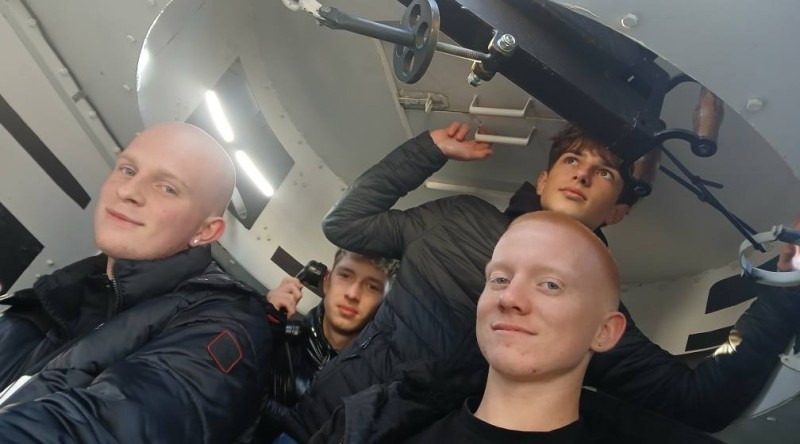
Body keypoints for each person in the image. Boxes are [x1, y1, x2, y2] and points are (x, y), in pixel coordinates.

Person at [283, 122, 800, 439]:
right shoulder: (455, 218)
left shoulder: (589, 311)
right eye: (572, 160)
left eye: (605, 172)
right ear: (544, 180)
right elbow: (346, 225)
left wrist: (785, 287)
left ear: (617, 212)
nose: (582, 174)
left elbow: (700, 402)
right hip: (319, 416)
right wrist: (426, 150)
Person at [309, 212, 723, 443]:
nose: (509, 298)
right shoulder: (367, 423)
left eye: (550, 284)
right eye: (500, 278)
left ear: (605, 332)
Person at [0, 122, 274, 443]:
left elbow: (111, 427)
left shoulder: (225, 323)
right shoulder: (64, 292)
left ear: (205, 231)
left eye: (167, 188)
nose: (128, 191)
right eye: (128, 170)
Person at [255, 249, 397, 441]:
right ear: (327, 282)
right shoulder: (277, 335)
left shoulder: (378, 389)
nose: (353, 294)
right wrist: (258, 322)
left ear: (384, 303)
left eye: (372, 287)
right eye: (345, 276)